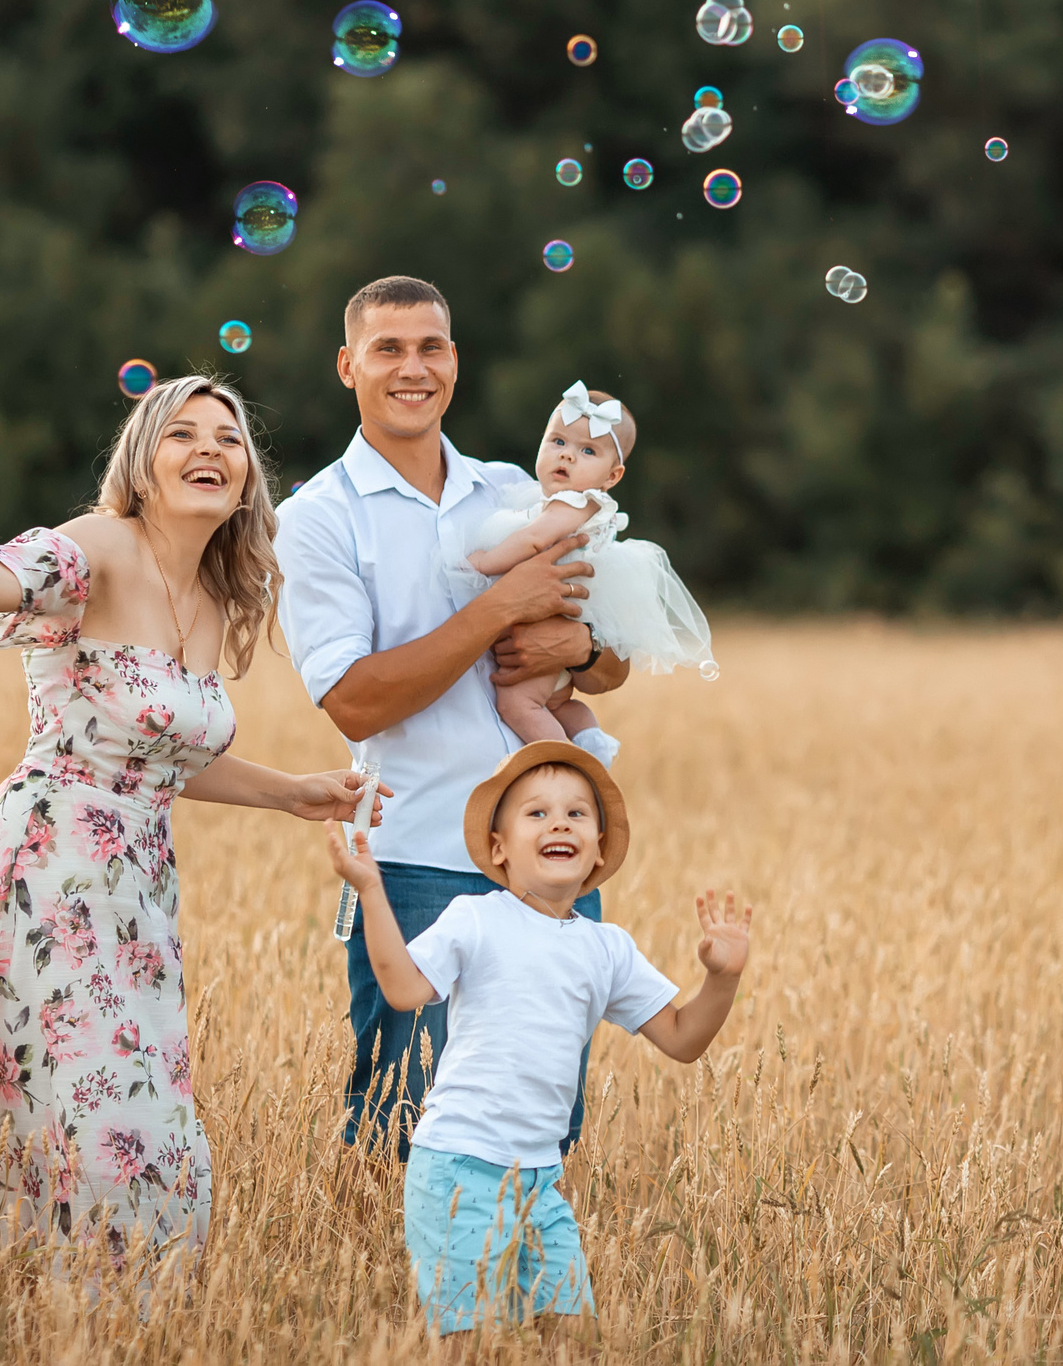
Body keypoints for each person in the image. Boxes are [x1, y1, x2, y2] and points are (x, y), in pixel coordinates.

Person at [0, 374, 377, 1270]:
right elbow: (5, 569)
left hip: (135, 886)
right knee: (88, 1102)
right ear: (141, 464)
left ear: (250, 474)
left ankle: (96, 1310)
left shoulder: (213, 598)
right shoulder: (100, 544)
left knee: (122, 1093)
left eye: (229, 436)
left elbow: (161, 761)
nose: (211, 448)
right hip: (44, 858)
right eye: (183, 434)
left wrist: (292, 791)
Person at [275, 276, 632, 1155]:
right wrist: (499, 608)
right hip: (417, 858)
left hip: (548, 850)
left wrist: (573, 650)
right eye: (389, 348)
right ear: (347, 364)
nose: (413, 367)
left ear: (455, 362)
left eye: (431, 346)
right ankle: (392, 1295)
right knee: (411, 1122)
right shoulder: (315, 518)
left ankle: (512, 1291)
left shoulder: (516, 488)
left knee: (542, 1124)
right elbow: (353, 697)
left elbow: (615, 657)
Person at [324, 741, 750, 1342]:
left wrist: (721, 979)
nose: (560, 823)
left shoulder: (607, 947)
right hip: (456, 1168)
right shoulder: (476, 919)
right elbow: (399, 989)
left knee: (574, 1337)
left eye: (578, 814)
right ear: (498, 848)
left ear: (598, 848)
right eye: (537, 813)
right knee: (466, 1343)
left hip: (542, 1179)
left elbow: (683, 1039)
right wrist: (371, 890)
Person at [457, 380, 716, 744]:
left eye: (588, 451)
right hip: (554, 630)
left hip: (548, 625)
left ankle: (565, 760)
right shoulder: (537, 496)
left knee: (519, 704)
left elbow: (533, 540)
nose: (567, 456)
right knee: (560, 704)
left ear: (612, 477)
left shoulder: (575, 504)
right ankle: (592, 742)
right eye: (558, 442)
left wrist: (483, 562)